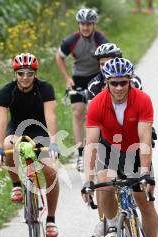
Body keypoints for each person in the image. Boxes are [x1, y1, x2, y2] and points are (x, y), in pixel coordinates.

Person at [81, 58, 158, 237]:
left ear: (129, 81)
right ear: (107, 82)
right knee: (104, 182)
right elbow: (91, 144)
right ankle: (113, 224)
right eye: (114, 83)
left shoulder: (142, 100)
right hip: (111, 150)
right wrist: (87, 180)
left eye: (123, 83)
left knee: (144, 201)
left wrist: (145, 172)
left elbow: (145, 138)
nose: (118, 88)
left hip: (136, 150)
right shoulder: (97, 103)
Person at [0, 53, 60, 237]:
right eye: (21, 73)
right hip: (16, 129)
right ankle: (16, 185)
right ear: (15, 74)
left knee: (51, 172)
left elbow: (51, 116)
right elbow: (1, 121)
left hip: (39, 131)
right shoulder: (6, 91)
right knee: (8, 145)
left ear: (35, 74)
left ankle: (51, 220)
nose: (25, 77)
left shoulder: (45, 89)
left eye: (29, 73)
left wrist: (53, 144)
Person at [86, 43, 143, 237]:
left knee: (138, 180)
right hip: (105, 137)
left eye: (109, 62)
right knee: (103, 181)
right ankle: (106, 222)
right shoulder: (94, 86)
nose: (105, 66)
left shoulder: (132, 80)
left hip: (130, 136)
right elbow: (93, 118)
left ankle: (135, 214)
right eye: (102, 64)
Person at [55, 8, 108, 172]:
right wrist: (67, 78)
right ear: (78, 24)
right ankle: (80, 154)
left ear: (93, 25)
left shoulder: (100, 40)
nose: (85, 27)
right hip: (78, 78)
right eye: (82, 24)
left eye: (89, 24)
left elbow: (111, 57)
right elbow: (59, 56)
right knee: (77, 112)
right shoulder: (71, 40)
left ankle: (100, 149)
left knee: (96, 112)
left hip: (96, 77)